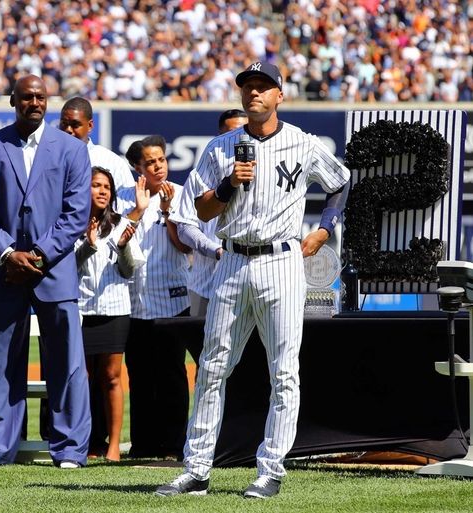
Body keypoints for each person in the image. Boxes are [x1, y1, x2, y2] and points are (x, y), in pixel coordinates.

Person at [156, 60, 350, 499]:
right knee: (211, 366)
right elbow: (198, 212)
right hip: (231, 258)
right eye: (248, 86)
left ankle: (271, 468)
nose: (255, 93)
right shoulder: (221, 147)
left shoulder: (302, 142)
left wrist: (324, 229)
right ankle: (197, 469)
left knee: (283, 370)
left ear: (280, 95)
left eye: (264, 87)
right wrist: (227, 185)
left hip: (281, 261)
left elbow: (340, 182)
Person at [0, 75, 92, 468]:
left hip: (53, 271)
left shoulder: (71, 149)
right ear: (13, 101)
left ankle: (69, 448)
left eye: (40, 97)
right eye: (26, 97)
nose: (33, 103)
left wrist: (38, 255)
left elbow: (76, 214)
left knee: (66, 362)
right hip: (4, 271)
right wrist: (7, 253)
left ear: (47, 101)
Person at [121, 135, 192, 460]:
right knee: (139, 376)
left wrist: (166, 213)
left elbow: (185, 247)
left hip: (173, 300)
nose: (158, 166)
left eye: (161, 159)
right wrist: (139, 209)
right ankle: (143, 445)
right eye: (150, 162)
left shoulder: (181, 194)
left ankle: (174, 446)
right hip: (135, 302)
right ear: (138, 167)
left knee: (173, 377)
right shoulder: (126, 199)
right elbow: (117, 246)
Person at [74, 166, 146, 461]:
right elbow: (66, 270)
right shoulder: (70, 224)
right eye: (95, 185)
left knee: (112, 377)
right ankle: (87, 442)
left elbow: (128, 270)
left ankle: (114, 445)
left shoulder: (120, 225)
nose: (102, 191)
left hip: (115, 309)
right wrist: (88, 247)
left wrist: (124, 247)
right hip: (80, 309)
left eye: (106, 187)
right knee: (84, 378)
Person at [172, 109, 248, 318]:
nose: (240, 140)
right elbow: (185, 227)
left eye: (245, 133)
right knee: (205, 349)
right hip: (205, 286)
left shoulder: (261, 172)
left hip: (249, 283)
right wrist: (214, 250)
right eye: (232, 133)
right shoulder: (198, 176)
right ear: (220, 137)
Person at [59, 97, 135, 192]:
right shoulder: (48, 157)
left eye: (75, 125)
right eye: (64, 124)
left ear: (90, 126)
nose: (68, 130)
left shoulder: (112, 163)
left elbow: (126, 203)